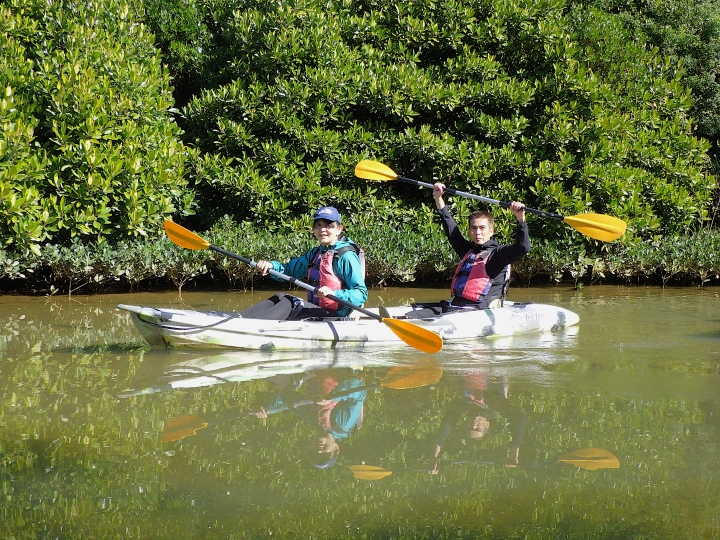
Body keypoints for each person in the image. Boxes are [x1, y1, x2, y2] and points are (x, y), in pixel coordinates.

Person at [407, 184, 529, 318]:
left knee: (418, 317)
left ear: (491, 231)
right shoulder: (468, 251)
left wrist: (520, 220)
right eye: (473, 228)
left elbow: (522, 248)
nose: (477, 232)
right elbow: (451, 231)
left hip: (476, 313)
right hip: (455, 307)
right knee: (411, 313)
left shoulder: (498, 255)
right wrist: (438, 198)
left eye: (482, 228)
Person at [243, 206, 368, 320]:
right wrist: (271, 266)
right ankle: (242, 318)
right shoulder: (315, 254)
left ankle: (255, 326)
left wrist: (334, 293)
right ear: (313, 229)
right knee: (280, 296)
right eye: (318, 225)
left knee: (291, 302)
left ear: (339, 229)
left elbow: (361, 293)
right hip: (318, 310)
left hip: (337, 316)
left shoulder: (346, 256)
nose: (322, 229)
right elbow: (287, 270)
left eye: (328, 225)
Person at [427, 372, 526, 473]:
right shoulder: (494, 403)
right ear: (487, 424)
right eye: (478, 429)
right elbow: (519, 419)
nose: (473, 425)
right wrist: (514, 454)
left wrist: (433, 456)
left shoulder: (462, 404)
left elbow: (447, 424)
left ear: (465, 423)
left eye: (469, 428)